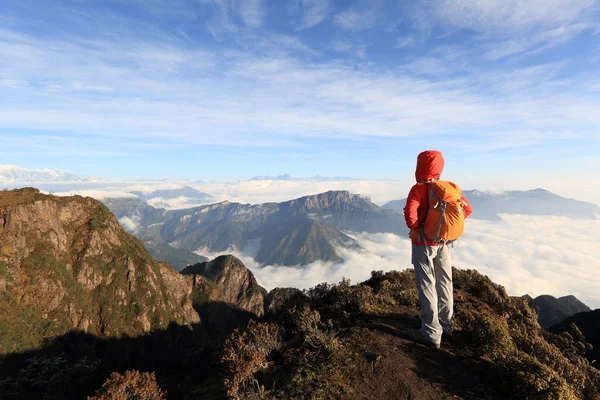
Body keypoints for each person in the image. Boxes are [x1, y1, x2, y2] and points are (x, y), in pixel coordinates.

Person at [404, 150, 472, 349]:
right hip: (444, 243)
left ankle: (431, 332)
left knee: (426, 284)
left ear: (420, 166)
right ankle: (446, 325)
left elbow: (410, 215)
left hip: (423, 245)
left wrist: (418, 229)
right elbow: (467, 209)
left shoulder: (418, 189)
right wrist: (444, 227)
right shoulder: (448, 189)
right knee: (445, 282)